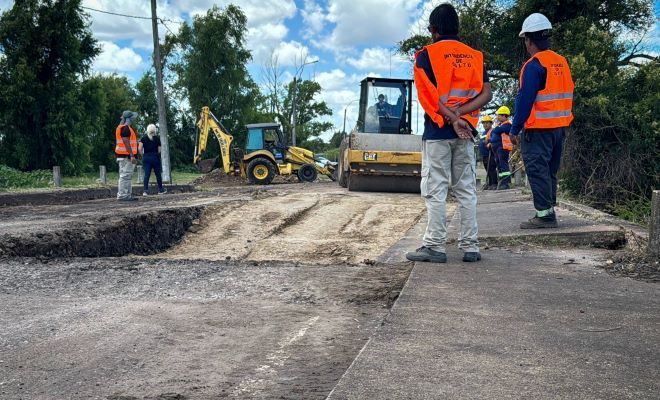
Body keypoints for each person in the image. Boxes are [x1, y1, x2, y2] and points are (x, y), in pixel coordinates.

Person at [406, 3, 492, 263]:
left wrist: (453, 118)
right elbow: (487, 93)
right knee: (466, 189)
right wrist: (463, 117)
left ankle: (434, 246)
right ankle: (470, 246)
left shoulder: (426, 55)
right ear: (457, 28)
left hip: (438, 133)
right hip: (466, 133)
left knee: (436, 190)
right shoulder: (475, 56)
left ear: (433, 30)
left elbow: (428, 97)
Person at [509, 13, 574, 229]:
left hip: (538, 129)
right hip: (559, 128)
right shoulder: (561, 62)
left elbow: (524, 100)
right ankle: (549, 209)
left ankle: (545, 216)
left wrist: (515, 127)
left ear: (529, 40)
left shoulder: (534, 65)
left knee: (537, 169)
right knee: (549, 170)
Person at [115, 110, 139, 201]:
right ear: (129, 119)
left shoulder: (121, 127)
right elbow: (126, 142)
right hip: (126, 156)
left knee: (126, 175)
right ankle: (123, 195)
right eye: (132, 118)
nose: (133, 119)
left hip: (123, 156)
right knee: (125, 175)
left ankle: (126, 195)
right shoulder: (125, 128)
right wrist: (132, 155)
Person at [488, 106, 513, 189]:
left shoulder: (508, 125)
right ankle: (501, 181)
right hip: (496, 147)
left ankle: (506, 183)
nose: (497, 117)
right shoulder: (500, 125)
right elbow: (493, 133)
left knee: (503, 164)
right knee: (499, 165)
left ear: (504, 116)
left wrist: (496, 129)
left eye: (499, 115)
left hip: (502, 147)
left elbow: (497, 131)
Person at [139, 124, 167, 196]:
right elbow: (159, 150)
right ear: (155, 130)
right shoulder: (157, 138)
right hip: (155, 157)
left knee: (147, 174)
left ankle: (145, 191)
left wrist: (143, 155)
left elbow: (139, 148)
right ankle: (160, 190)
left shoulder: (143, 138)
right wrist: (155, 154)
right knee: (158, 174)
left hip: (146, 157)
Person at [479, 116, 498, 189]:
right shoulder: (483, 132)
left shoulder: (492, 131)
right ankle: (490, 183)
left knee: (492, 169)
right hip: (484, 154)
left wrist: (489, 143)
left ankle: (494, 183)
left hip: (490, 154)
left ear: (491, 124)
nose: (485, 124)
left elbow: (493, 140)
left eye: (487, 123)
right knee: (487, 169)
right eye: (484, 123)